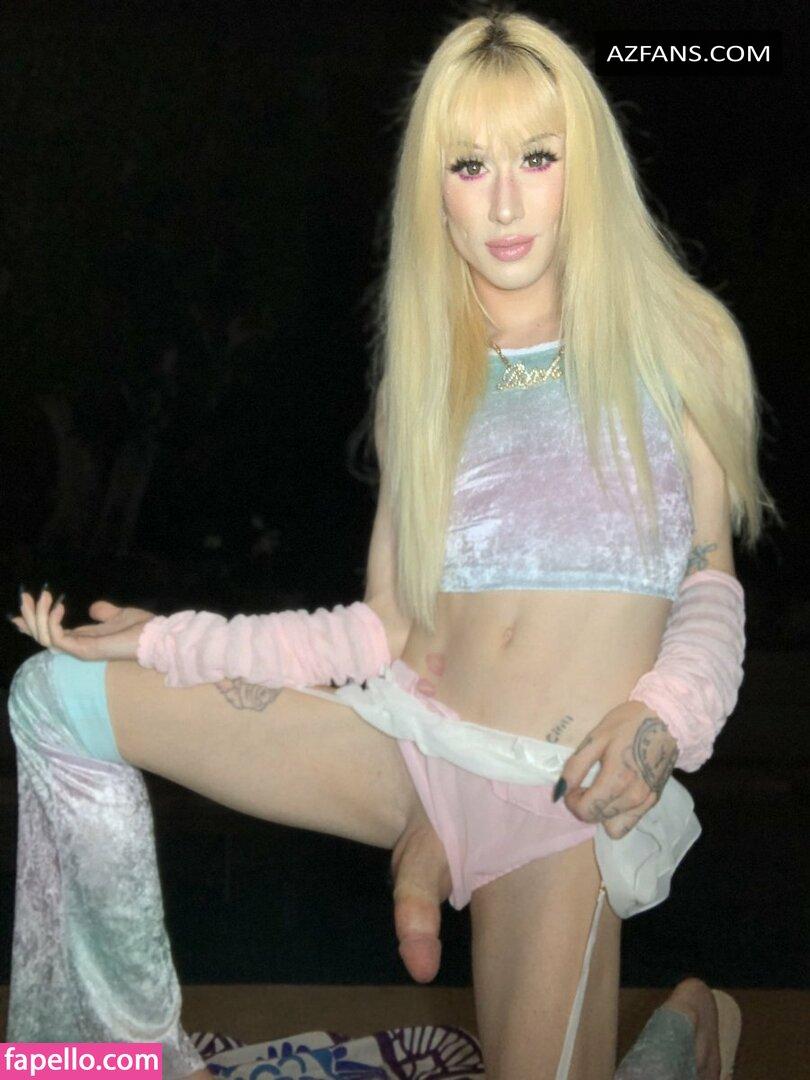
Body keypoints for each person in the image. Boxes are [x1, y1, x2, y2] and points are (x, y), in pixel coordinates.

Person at [6, 7, 772, 1079]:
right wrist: (170, 639)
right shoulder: (428, 381)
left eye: (537, 157)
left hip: (554, 795)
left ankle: (684, 1037)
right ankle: (109, 1063)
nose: (503, 202)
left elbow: (707, 584)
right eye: (469, 165)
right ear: (435, 193)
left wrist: (663, 717)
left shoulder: (679, 346)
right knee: (57, 694)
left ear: (585, 168)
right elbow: (381, 630)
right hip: (410, 748)